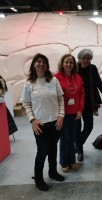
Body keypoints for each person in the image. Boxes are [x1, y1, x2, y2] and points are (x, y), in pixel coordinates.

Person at [20, 53, 65, 191]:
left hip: (55, 122)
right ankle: (38, 178)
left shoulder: (53, 80)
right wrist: (32, 120)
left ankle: (52, 172)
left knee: (53, 148)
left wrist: (61, 115)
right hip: (40, 124)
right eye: (38, 61)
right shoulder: (29, 83)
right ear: (34, 65)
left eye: (44, 62)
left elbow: (61, 99)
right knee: (43, 150)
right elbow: (26, 103)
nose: (41, 64)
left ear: (47, 65)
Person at [76, 48, 102, 162]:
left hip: (89, 102)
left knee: (88, 127)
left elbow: (99, 83)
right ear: (80, 58)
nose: (86, 60)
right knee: (76, 129)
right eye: (84, 58)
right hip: (75, 104)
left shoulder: (93, 68)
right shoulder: (75, 68)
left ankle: (77, 146)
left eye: (88, 58)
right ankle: (79, 151)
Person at [54, 54, 84, 173]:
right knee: (64, 138)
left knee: (72, 138)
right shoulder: (56, 77)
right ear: (62, 63)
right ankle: (64, 162)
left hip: (75, 114)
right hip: (62, 114)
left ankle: (72, 161)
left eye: (71, 62)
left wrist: (80, 110)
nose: (68, 64)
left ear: (74, 64)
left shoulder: (78, 77)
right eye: (66, 62)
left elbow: (81, 95)